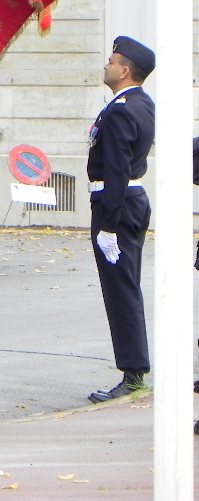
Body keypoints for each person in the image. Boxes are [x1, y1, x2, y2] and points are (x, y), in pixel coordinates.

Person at [86, 36, 155, 403]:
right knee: (126, 286)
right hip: (130, 200)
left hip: (117, 203)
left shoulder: (121, 110)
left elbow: (116, 169)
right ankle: (134, 368)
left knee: (121, 290)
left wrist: (109, 225)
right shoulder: (141, 104)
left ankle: (133, 373)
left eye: (111, 61)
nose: (106, 66)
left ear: (125, 70)